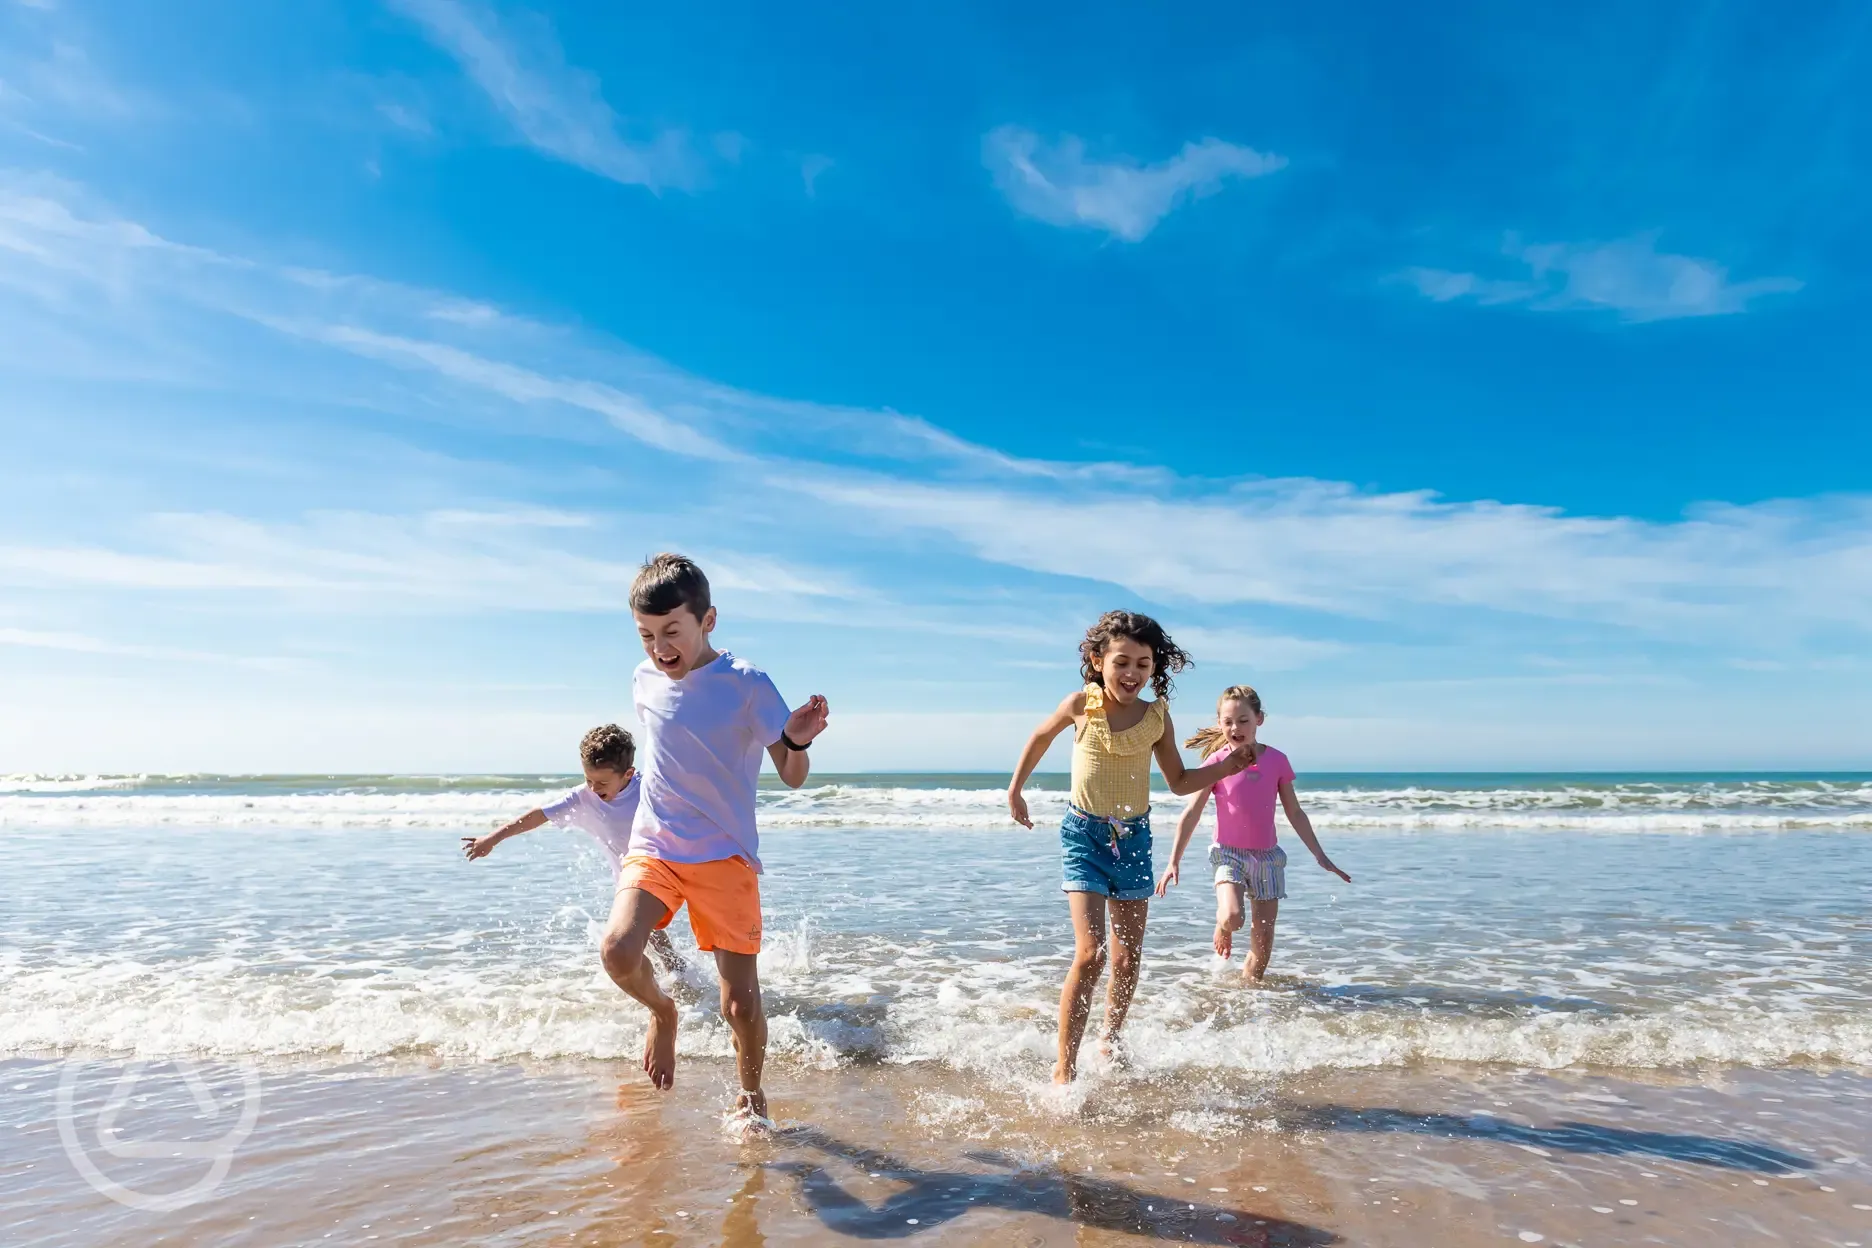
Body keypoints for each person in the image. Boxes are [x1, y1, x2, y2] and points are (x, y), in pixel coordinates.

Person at [601, 553, 829, 1122]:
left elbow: (793, 776)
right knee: (618, 951)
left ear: (708, 621)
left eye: (671, 631)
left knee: (739, 1003)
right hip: (655, 845)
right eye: (646, 635)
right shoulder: (643, 678)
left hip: (724, 856)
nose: (659, 648)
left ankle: (751, 1097)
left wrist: (796, 743)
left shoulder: (747, 685)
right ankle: (664, 1014)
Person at [1006, 611, 1252, 1083]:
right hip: (1083, 836)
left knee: (1126, 957)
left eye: (1143, 663)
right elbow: (1039, 737)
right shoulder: (1082, 703)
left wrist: (1230, 766)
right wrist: (1016, 789)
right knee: (1091, 953)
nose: (1132, 673)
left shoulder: (1156, 717)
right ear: (1098, 660)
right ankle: (1064, 1067)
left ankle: (1110, 1037)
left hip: (1134, 840)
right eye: (1122, 662)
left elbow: (1180, 781)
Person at [1156, 684, 1352, 982]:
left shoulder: (1277, 760)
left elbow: (1295, 812)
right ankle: (1222, 924)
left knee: (1261, 946)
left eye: (1244, 721)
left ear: (1259, 719)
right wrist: (1174, 860)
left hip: (1268, 858)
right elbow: (1192, 813)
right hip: (1228, 853)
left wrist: (1320, 854)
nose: (1236, 728)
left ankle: (1250, 1000)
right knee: (1233, 917)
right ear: (1219, 722)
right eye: (1228, 722)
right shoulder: (1216, 764)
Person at [461, 724, 685, 975]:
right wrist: (492, 838)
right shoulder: (583, 798)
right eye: (588, 779)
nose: (594, 788)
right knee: (644, 937)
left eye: (602, 782)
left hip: (675, 867)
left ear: (628, 774)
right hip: (634, 880)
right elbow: (539, 816)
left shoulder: (650, 789)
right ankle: (671, 979)